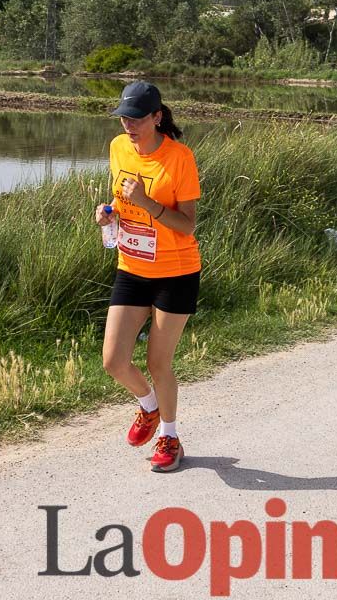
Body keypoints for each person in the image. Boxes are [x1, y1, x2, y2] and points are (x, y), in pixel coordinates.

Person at [94, 81, 201, 473]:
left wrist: (147, 202)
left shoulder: (179, 158)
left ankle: (170, 437)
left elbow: (187, 226)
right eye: (124, 117)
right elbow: (120, 202)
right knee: (113, 361)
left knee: (159, 363)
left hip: (176, 272)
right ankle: (149, 407)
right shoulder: (118, 148)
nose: (129, 126)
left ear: (157, 117)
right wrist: (109, 212)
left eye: (137, 118)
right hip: (133, 267)